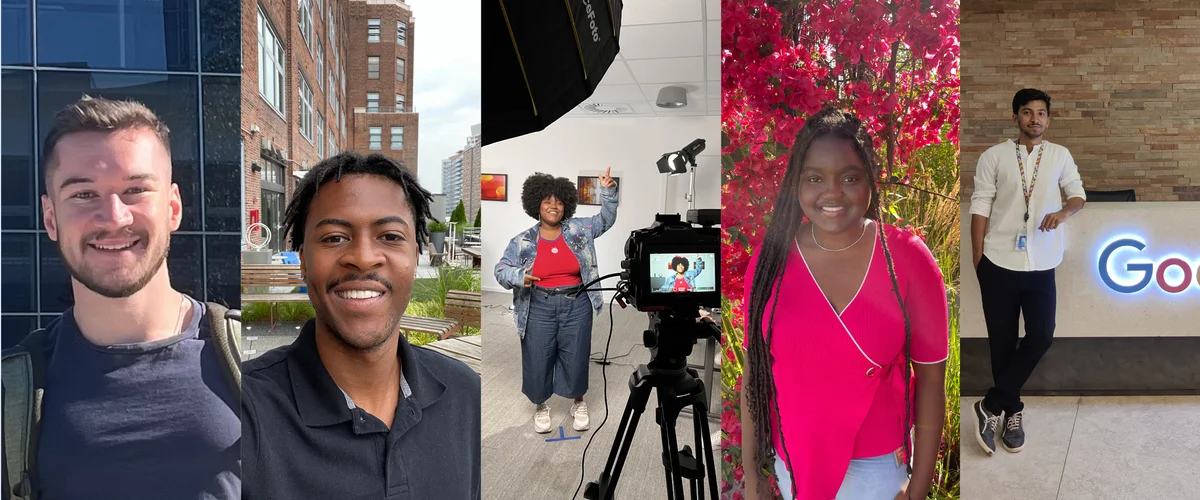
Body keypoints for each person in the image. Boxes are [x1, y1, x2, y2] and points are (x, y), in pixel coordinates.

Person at [0, 96, 241, 499]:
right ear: (50, 218)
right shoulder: (13, 398)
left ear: (173, 208)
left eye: (135, 190)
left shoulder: (249, 365)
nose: (114, 217)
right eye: (83, 194)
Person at [240, 153, 481, 499]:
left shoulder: (465, 395)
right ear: (304, 261)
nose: (364, 257)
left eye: (390, 236)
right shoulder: (242, 415)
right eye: (335, 237)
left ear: (415, 256)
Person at [741, 108, 949, 500]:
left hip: (876, 470)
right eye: (815, 178)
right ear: (796, 185)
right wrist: (753, 477)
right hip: (793, 462)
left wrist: (918, 488)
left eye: (850, 177)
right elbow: (754, 373)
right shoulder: (770, 262)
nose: (832, 192)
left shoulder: (909, 260)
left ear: (870, 180)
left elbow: (931, 382)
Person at [969, 88, 1086, 455]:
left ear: (1048, 119)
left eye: (1040, 113)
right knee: (1002, 343)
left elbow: (1078, 195)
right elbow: (980, 206)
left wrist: (1064, 212)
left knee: (1041, 336)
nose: (1034, 118)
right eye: (1027, 112)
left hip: (1042, 263)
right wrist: (978, 261)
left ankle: (990, 404)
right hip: (998, 262)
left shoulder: (1060, 156)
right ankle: (1011, 412)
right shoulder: (994, 156)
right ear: (1016, 117)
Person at [494, 168, 618, 433]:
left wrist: (608, 191)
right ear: (536, 204)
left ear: (566, 205)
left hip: (577, 303)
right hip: (538, 305)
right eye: (547, 201)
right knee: (537, 356)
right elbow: (501, 270)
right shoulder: (523, 241)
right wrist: (519, 275)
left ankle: (578, 401)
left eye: (559, 202)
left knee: (576, 354)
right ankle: (541, 406)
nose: (554, 206)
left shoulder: (580, 229)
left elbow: (606, 219)